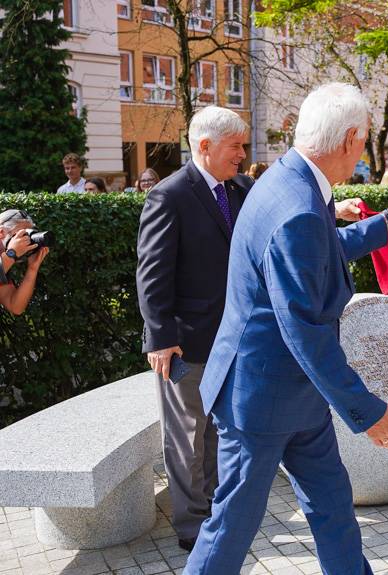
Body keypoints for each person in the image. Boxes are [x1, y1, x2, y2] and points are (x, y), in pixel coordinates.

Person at [185, 83, 388, 575]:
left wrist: (386, 221)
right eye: (365, 140)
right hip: (262, 401)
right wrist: (368, 410)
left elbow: (320, 251)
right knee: (231, 527)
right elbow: (305, 330)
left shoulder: (289, 180)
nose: (364, 149)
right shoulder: (297, 207)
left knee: (334, 508)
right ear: (350, 138)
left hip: (296, 396)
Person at [136, 106, 255, 552]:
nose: (243, 154)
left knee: (221, 430)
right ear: (204, 146)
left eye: (243, 146)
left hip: (235, 338)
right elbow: (152, 273)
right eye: (236, 146)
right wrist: (161, 338)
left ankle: (216, 508)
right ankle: (191, 524)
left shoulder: (242, 188)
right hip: (186, 343)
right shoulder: (169, 195)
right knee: (188, 435)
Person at [0, 210, 49, 314]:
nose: (24, 242)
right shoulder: (7, 259)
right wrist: (12, 253)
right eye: (21, 235)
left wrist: (32, 268)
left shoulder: (4, 263)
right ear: (1, 232)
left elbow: (15, 306)